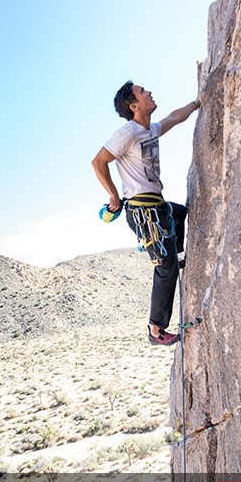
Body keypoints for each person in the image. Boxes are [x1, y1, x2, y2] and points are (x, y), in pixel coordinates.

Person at [92, 80, 200, 346]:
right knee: (165, 268)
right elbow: (98, 162)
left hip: (156, 205)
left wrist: (197, 103)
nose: (149, 92)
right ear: (134, 105)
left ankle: (173, 258)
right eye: (143, 92)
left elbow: (174, 118)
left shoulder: (148, 129)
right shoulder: (126, 133)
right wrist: (114, 195)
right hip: (143, 210)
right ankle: (156, 329)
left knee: (179, 213)